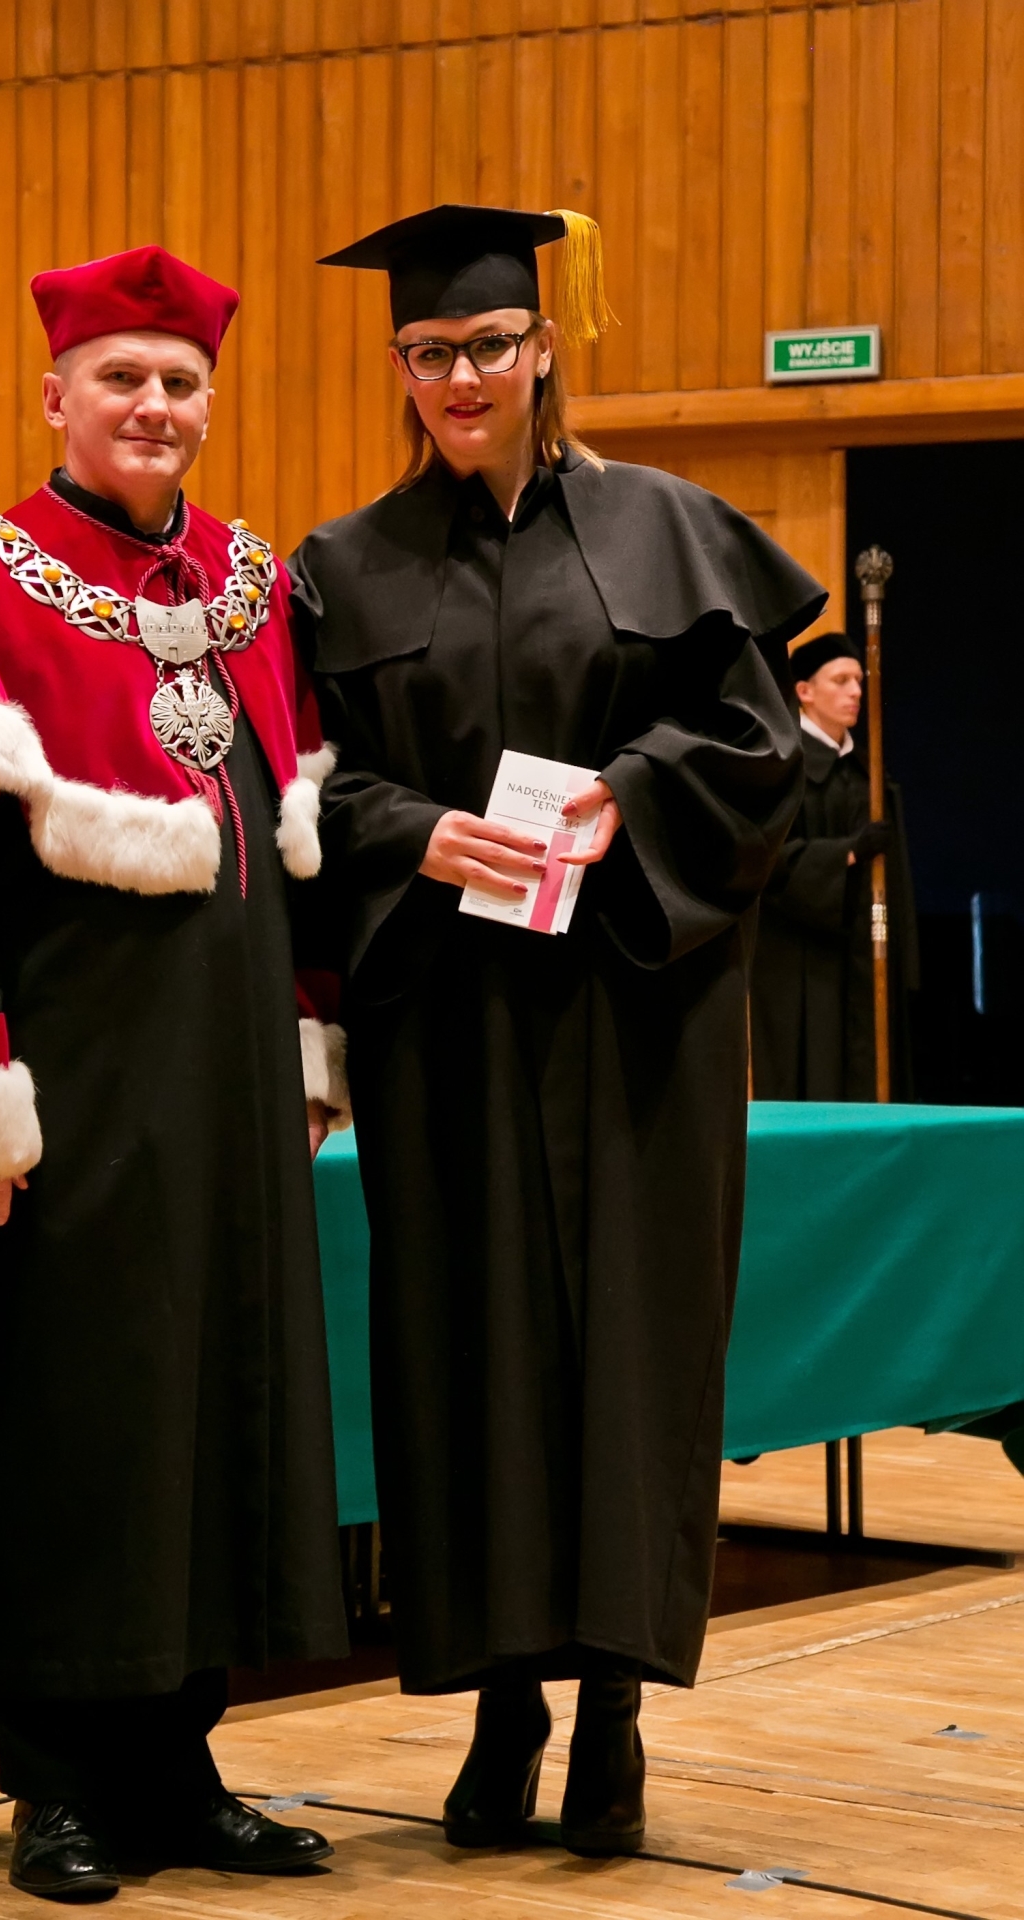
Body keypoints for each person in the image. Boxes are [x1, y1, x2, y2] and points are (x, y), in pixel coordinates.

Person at [289, 204, 825, 1859]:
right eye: (428, 353)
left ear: (543, 349)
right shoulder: (344, 568)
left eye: (488, 346)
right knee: (466, 1348)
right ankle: (501, 1701)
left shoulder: (672, 525)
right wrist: (417, 834)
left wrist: (629, 794)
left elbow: (761, 749)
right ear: (401, 368)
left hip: (636, 1011)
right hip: (447, 1016)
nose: (461, 378)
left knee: (631, 1348)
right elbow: (306, 790)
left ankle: (613, 1715)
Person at [0, 246, 348, 1902]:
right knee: (68, 1417)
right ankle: (57, 1785)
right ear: (56, 397)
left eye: (179, 383)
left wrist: (311, 1038)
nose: (153, 406)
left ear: (209, 404)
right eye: (122, 380)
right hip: (66, 1080)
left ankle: (178, 1765)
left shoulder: (253, 580)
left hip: (226, 1075)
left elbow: (294, 831)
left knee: (213, 1404)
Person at [750, 631, 918, 1100]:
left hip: (863, 953)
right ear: (804, 691)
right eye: (841, 680)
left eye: (859, 681)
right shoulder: (782, 766)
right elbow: (764, 859)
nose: (856, 692)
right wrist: (845, 853)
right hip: (800, 961)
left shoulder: (869, 771)